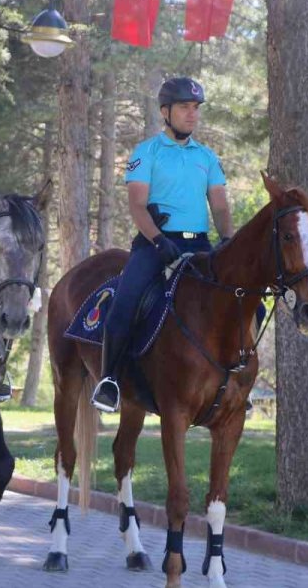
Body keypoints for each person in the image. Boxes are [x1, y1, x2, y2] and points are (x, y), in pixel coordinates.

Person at [90, 77, 234, 413]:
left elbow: (221, 207)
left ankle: (234, 378)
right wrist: (157, 241)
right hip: (155, 243)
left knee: (243, 299)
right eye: (185, 107)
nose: (192, 114)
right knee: (124, 303)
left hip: (199, 245)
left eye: (196, 108)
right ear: (165, 112)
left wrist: (227, 240)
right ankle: (109, 380)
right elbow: (137, 205)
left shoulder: (208, 158)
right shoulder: (145, 153)